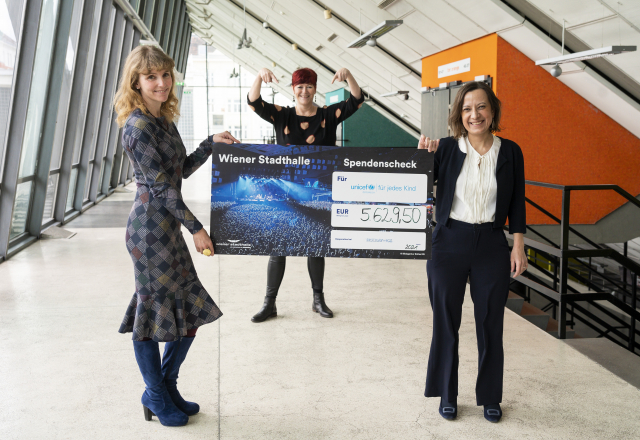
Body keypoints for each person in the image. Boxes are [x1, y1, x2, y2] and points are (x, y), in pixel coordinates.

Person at [114, 45, 239, 427]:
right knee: (151, 315)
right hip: (149, 231)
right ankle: (155, 393)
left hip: (166, 227)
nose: (162, 83)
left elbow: (178, 172)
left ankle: (165, 387)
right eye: (151, 76)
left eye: (165, 75)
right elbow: (163, 190)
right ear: (136, 81)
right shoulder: (137, 127)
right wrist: (198, 229)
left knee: (190, 310)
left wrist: (209, 145)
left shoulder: (163, 121)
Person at [418, 81, 527, 423]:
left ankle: (491, 397)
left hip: (492, 244)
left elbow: (517, 202)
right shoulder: (447, 149)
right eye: (466, 109)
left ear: (492, 110)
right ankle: (447, 396)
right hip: (448, 242)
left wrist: (518, 245)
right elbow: (419, 188)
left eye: (480, 107)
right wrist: (422, 158)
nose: (474, 114)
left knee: (490, 324)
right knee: (446, 323)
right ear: (458, 114)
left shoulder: (510, 151)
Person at [246, 66, 364, 322]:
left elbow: (357, 100)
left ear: (315, 88)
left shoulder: (328, 116)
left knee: (316, 246)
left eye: (309, 86)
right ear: (293, 89)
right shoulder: (282, 116)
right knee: (277, 248)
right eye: (300, 86)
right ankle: (269, 303)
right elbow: (254, 102)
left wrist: (349, 76)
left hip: (318, 193)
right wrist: (259, 76)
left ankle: (318, 300)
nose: (304, 91)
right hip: (285, 193)